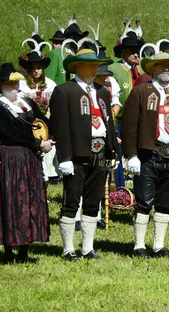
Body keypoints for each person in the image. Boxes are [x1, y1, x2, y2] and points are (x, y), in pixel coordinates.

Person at [122, 51, 169, 258]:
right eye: (161, 66)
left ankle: (158, 245)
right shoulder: (141, 92)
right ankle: (138, 246)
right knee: (144, 201)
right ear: (152, 68)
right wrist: (131, 155)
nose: (166, 69)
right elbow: (129, 127)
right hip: (148, 155)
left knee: (165, 202)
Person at [50, 48, 118, 260]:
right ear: (77, 66)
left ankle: (87, 248)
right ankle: (68, 248)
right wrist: (65, 157)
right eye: (90, 64)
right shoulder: (64, 91)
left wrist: (112, 151)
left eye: (96, 65)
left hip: (99, 152)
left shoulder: (103, 92)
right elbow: (60, 127)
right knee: (71, 200)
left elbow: (109, 123)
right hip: (77, 154)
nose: (94, 68)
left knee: (93, 200)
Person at [0, 63, 53, 264]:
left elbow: (42, 121)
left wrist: (50, 137)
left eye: (16, 83)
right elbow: (11, 131)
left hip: (30, 159)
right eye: (9, 83)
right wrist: (38, 143)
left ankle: (24, 250)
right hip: (9, 158)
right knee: (11, 202)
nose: (14, 87)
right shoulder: (1, 107)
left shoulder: (27, 103)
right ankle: (7, 251)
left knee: (29, 202)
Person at [18, 51, 59, 181]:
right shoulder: (22, 85)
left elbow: (56, 104)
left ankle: (51, 174)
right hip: (29, 121)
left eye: (39, 68)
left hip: (47, 119)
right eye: (33, 68)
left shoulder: (51, 84)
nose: (36, 71)